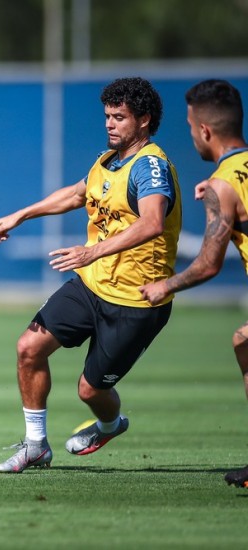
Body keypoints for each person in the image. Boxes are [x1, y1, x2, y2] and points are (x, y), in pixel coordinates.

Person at [0, 77, 181, 473]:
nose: (110, 124)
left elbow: (152, 223)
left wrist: (90, 250)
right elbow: (78, 194)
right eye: (107, 116)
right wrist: (21, 214)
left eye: (120, 117)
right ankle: (36, 445)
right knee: (29, 347)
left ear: (144, 120)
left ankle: (110, 423)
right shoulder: (107, 160)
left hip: (136, 301)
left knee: (90, 389)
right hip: (90, 286)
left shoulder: (150, 168)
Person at [139, 79, 248, 489]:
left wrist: (165, 286)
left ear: (204, 130)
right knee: (245, 342)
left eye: (189, 127)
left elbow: (207, 265)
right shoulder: (222, 185)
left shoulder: (224, 184)